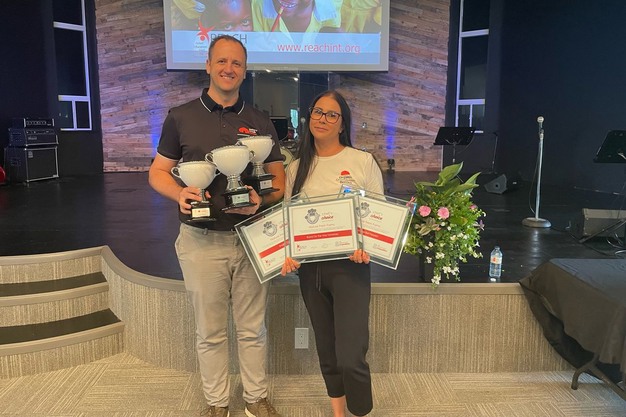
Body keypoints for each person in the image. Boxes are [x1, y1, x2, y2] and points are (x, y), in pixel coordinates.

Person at [148, 34, 285, 417]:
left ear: (245, 70)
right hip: (201, 240)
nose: (229, 68)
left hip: (251, 239)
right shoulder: (180, 117)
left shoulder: (259, 121)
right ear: (208, 66)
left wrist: (262, 200)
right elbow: (158, 172)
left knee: (252, 328)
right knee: (210, 331)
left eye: (237, 63)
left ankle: (256, 398)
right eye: (222, 61)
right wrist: (179, 193)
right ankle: (217, 403)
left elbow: (278, 180)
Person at [280, 90, 384, 417]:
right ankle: (338, 413)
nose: (322, 119)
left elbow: (378, 214)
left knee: (351, 355)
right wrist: (288, 252)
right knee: (327, 351)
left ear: (342, 124)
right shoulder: (296, 168)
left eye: (331, 114)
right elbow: (289, 220)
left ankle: (360, 411)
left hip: (350, 268)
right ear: (309, 117)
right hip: (311, 271)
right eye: (317, 112)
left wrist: (366, 245)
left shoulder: (361, 161)